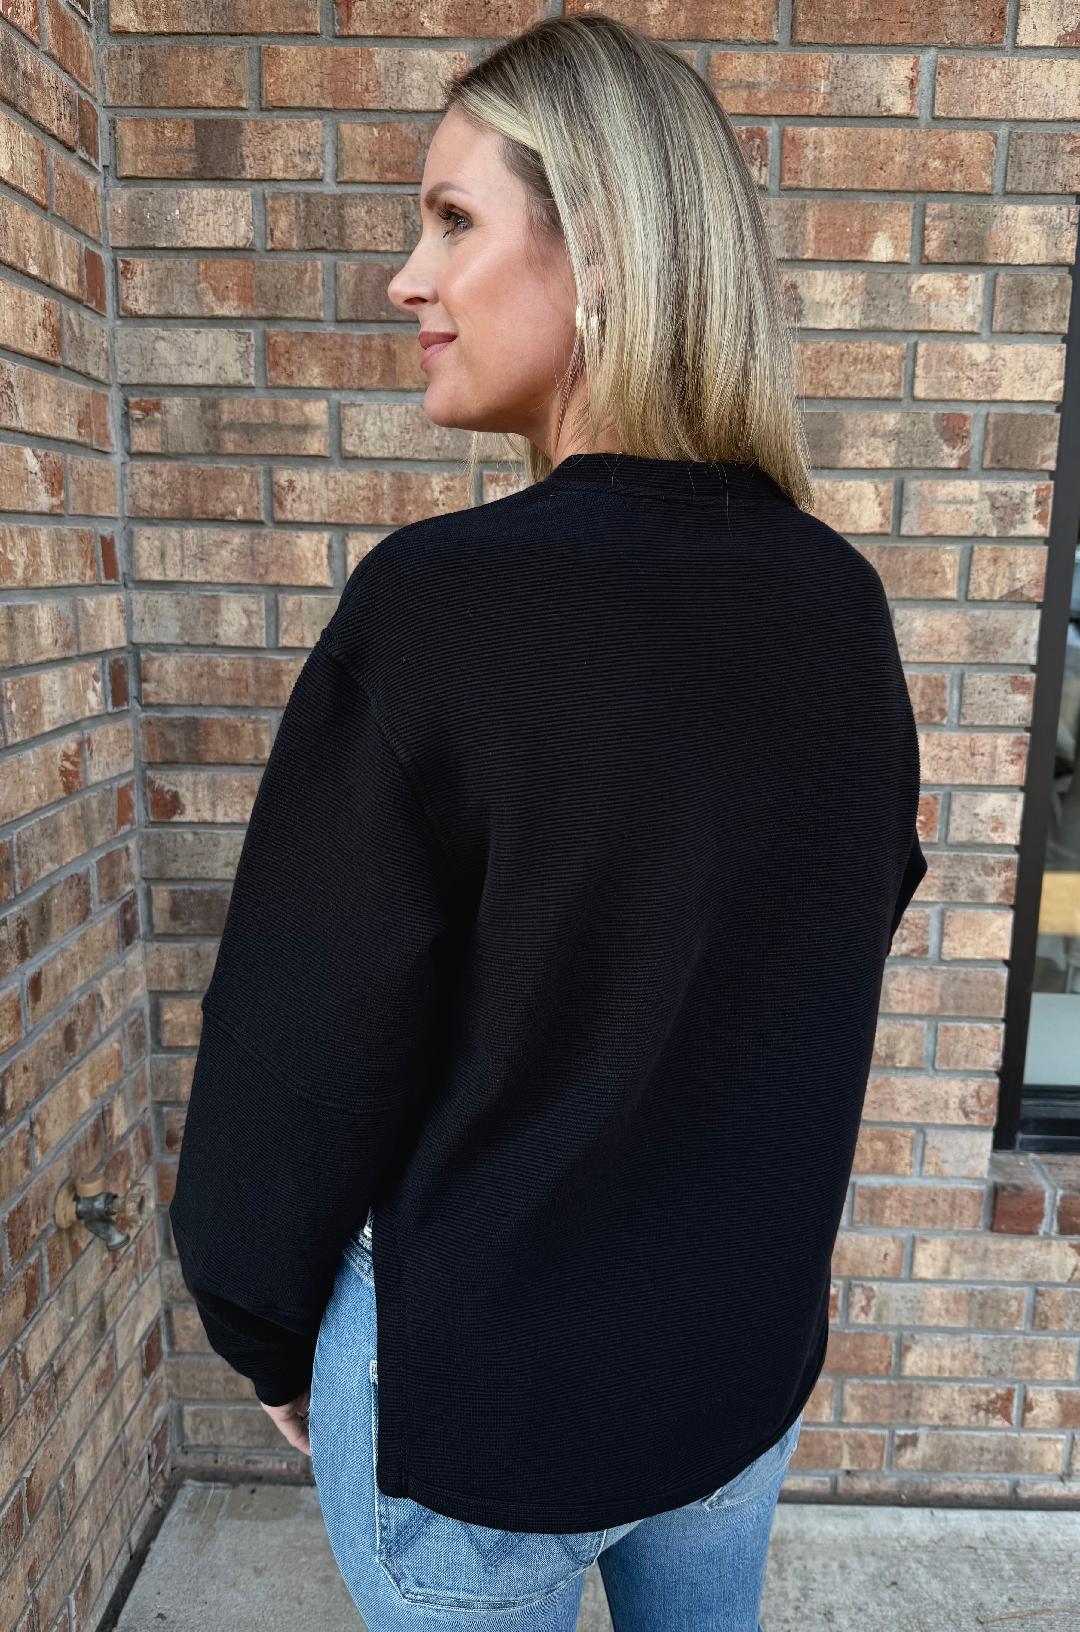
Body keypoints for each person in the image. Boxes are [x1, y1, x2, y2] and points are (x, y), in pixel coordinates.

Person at [168, 15, 927, 1630]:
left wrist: (261, 1324)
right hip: (732, 1378)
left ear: (603, 256)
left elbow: (297, 1047)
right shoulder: (837, 606)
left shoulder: (439, 612)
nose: (406, 278)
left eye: (452, 219)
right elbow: (817, 963)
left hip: (483, 1404)